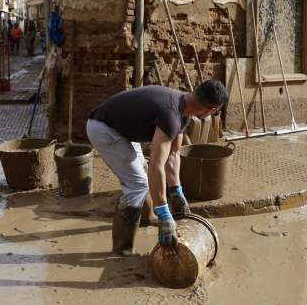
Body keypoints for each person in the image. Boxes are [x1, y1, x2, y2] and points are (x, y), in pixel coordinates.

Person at [86, 80, 229, 255]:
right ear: (211, 110)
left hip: (123, 130)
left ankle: (146, 218)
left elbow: (173, 154)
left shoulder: (183, 107)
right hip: (103, 129)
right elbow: (157, 165)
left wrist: (177, 191)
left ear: (195, 90)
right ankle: (122, 249)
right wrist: (164, 212)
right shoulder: (171, 115)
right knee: (137, 184)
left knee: (143, 174)